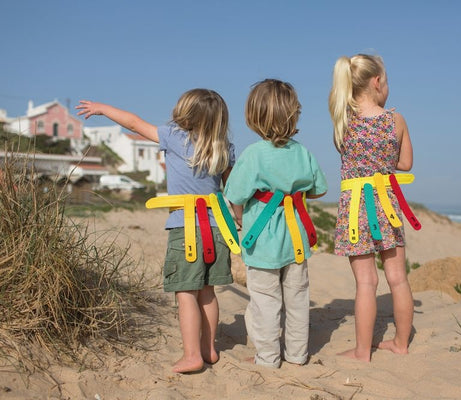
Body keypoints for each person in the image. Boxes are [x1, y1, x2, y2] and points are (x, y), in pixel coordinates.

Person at [76, 89, 242, 373]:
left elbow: (133, 123)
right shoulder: (223, 147)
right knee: (208, 291)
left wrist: (103, 108)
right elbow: (234, 189)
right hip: (217, 228)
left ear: (186, 112)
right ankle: (209, 349)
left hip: (186, 228)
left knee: (185, 293)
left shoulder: (175, 137)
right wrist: (239, 218)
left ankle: (192, 355)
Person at [223, 79, 328, 368]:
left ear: (253, 117)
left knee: (265, 301)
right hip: (295, 237)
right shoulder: (302, 152)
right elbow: (319, 190)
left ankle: (268, 357)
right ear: (294, 114)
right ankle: (297, 354)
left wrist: (241, 218)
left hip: (262, 241)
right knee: (297, 298)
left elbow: (235, 195)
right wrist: (292, 191)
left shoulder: (253, 154)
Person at [328, 54, 415, 361]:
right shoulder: (396, 120)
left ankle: (362, 351)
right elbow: (406, 163)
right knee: (398, 278)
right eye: (386, 81)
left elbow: (346, 154)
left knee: (366, 282)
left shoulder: (343, 122)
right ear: (377, 82)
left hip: (355, 209)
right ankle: (401, 343)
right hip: (386, 205)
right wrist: (384, 159)